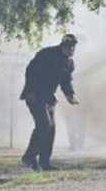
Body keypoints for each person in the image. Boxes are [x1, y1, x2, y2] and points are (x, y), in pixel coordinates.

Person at [20, 34, 79, 171]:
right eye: (69, 46)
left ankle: (44, 163)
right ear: (63, 45)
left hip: (48, 97)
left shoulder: (69, 63)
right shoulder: (46, 54)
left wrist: (70, 95)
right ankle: (29, 156)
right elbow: (30, 71)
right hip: (34, 95)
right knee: (44, 125)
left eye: (73, 46)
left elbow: (66, 81)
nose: (71, 49)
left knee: (50, 129)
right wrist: (31, 92)